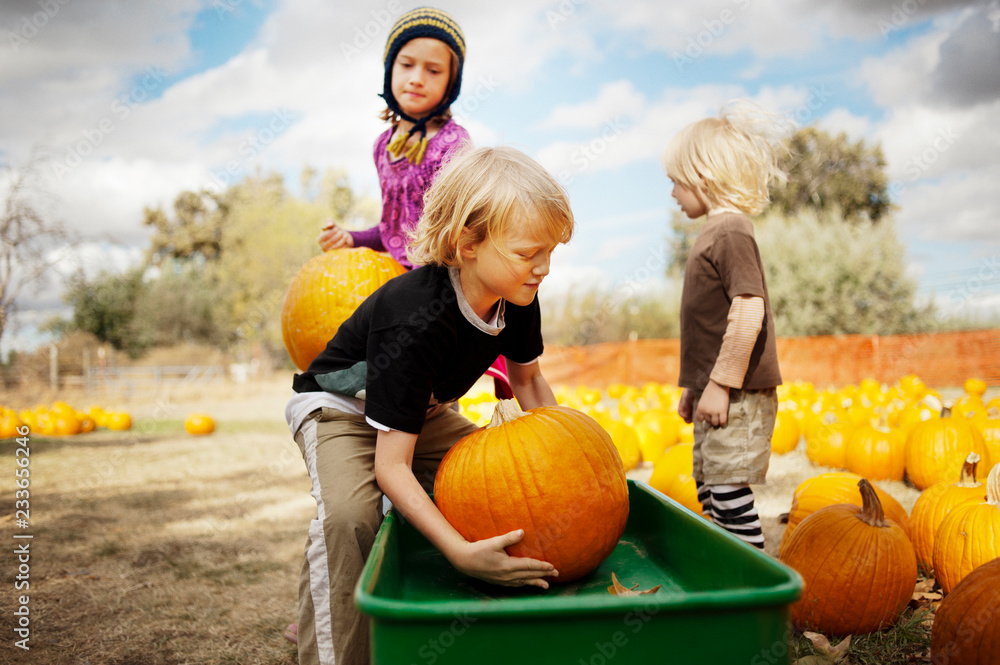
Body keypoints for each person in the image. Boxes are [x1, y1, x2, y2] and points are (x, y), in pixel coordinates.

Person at [285, 145, 575, 665]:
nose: (544, 268)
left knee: (503, 484)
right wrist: (460, 553)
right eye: (529, 252)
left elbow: (529, 383)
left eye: (550, 252)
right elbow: (390, 466)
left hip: (423, 410)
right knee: (351, 518)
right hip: (339, 409)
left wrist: (561, 463)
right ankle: (335, 652)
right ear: (468, 242)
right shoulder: (413, 316)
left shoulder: (518, 297)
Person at [315, 6, 514, 402]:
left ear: (451, 83)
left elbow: (462, 220)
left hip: (440, 279)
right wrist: (352, 238)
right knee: (383, 377)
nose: (417, 78)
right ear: (390, 70)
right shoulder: (381, 146)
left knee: (420, 384)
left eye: (434, 70)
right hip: (397, 282)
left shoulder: (451, 144)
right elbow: (394, 229)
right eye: (407, 64)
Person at [661, 102, 787, 550]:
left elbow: (748, 311)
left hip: (739, 393)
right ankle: (728, 576)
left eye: (676, 182)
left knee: (729, 492)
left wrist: (719, 384)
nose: (673, 193)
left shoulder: (731, 231)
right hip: (719, 391)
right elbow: (710, 327)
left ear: (704, 179)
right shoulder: (713, 233)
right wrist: (698, 387)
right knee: (711, 488)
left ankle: (752, 585)